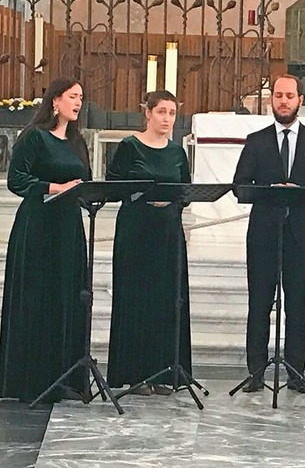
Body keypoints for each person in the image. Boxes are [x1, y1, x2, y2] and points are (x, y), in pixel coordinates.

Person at [233, 74, 305, 393]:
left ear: (300, 101)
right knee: (259, 303)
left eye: (289, 96)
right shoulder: (257, 140)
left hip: (301, 234)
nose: (283, 101)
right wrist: (271, 189)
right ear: (271, 100)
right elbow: (240, 185)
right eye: (278, 95)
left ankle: (296, 372)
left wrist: (300, 192)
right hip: (263, 233)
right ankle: (255, 372)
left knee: (297, 306)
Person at [0, 77, 90, 402]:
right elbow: (16, 180)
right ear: (55, 100)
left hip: (69, 228)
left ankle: (64, 376)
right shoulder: (35, 136)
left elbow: (85, 180)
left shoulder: (77, 141)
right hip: (38, 226)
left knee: (67, 296)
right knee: (38, 296)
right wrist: (54, 187)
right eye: (72, 96)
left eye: (80, 97)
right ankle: (32, 379)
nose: (78, 103)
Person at [106, 90, 192, 396]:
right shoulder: (130, 146)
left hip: (167, 231)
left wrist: (174, 201)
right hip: (136, 229)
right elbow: (112, 185)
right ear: (148, 113)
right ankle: (134, 374)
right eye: (161, 112)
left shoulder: (177, 152)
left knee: (166, 299)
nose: (167, 119)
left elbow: (185, 190)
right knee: (136, 298)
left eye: (172, 113)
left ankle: (163, 371)